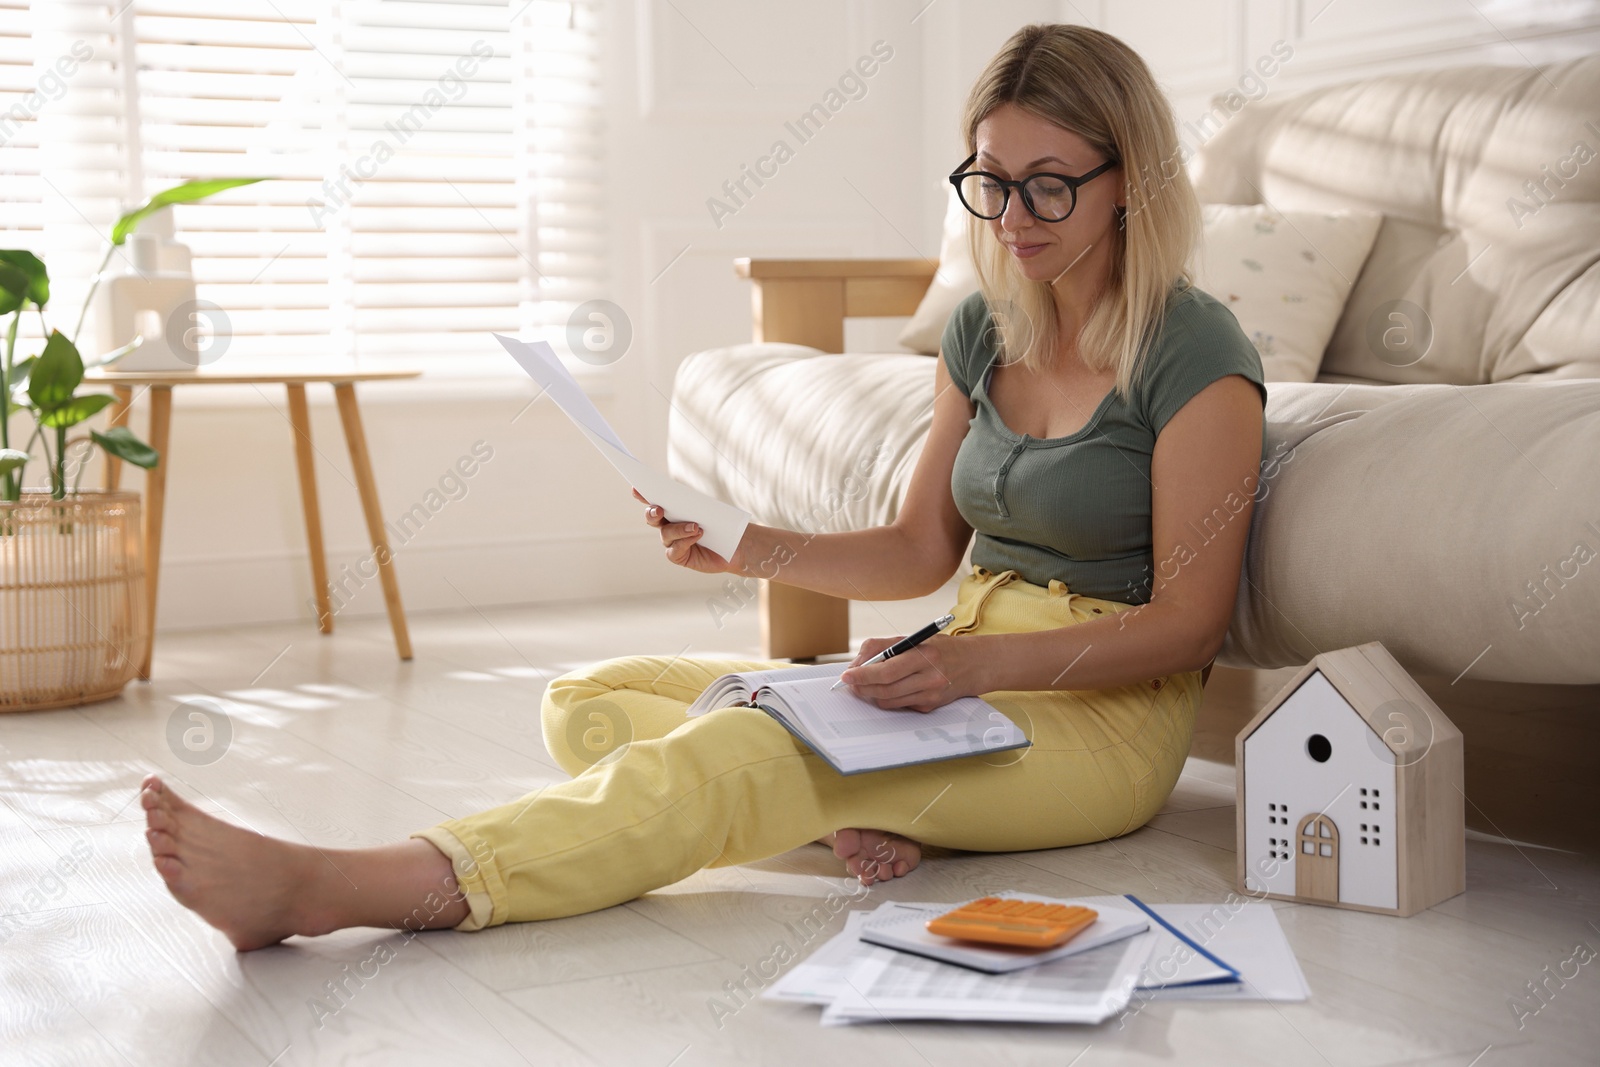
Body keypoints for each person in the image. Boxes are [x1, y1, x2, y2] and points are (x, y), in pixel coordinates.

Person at [139, 22, 1267, 951]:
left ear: (1132, 181)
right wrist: (749, 547)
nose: (1011, 218)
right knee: (589, 698)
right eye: (990, 181)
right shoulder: (983, 329)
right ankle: (851, 806)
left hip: (1098, 721)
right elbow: (922, 551)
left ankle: (356, 882)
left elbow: (1185, 624)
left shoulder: (1190, 349)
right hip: (957, 668)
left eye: (1049, 187)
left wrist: (972, 665)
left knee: (747, 746)